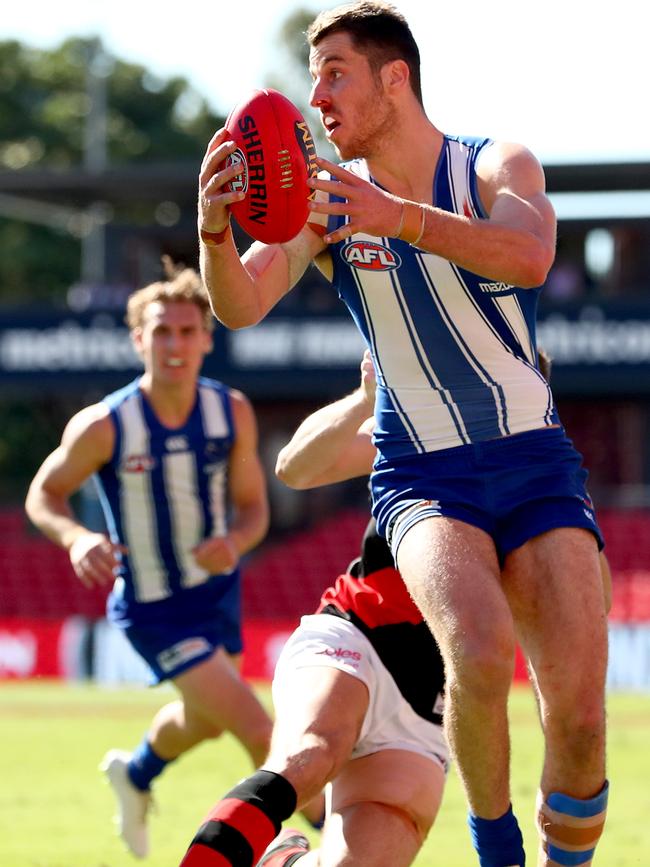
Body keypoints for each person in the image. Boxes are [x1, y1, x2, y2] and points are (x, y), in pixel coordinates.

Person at [196, 3, 610, 865]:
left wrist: (403, 218)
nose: (319, 96)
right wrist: (211, 232)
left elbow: (529, 257)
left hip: (535, 459)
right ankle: (496, 851)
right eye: (314, 79)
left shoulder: (494, 162)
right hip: (423, 474)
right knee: (480, 651)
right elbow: (237, 305)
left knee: (578, 714)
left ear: (396, 78)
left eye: (336, 73)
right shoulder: (322, 207)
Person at [24, 268, 323, 859]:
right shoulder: (106, 424)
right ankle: (330, 835)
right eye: (162, 332)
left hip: (215, 592)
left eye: (188, 331)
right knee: (257, 728)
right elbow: (43, 494)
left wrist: (235, 544)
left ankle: (134, 775)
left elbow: (252, 511)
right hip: (152, 604)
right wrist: (77, 538)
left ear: (207, 339)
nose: (175, 344)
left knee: (206, 720)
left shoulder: (229, 412)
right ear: (139, 340)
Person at [179, 351, 448, 867]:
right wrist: (365, 401)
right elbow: (294, 468)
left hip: (427, 705)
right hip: (356, 636)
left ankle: (285, 862)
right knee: (311, 754)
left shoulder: (543, 487)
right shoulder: (421, 428)